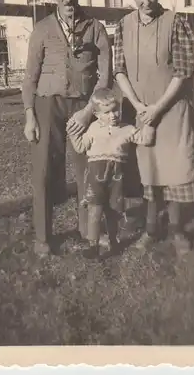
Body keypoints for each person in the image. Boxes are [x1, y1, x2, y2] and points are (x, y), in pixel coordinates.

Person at [113, 0, 194, 256]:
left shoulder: (175, 23)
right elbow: (119, 71)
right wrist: (140, 108)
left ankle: (177, 230)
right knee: (148, 171)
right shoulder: (122, 26)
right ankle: (152, 230)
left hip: (172, 107)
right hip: (140, 111)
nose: (146, 1)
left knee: (175, 171)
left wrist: (158, 108)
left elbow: (182, 71)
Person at [22, 0, 112, 256]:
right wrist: (29, 115)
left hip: (83, 106)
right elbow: (29, 77)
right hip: (48, 106)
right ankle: (43, 237)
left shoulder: (95, 27)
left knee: (89, 169)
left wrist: (89, 111)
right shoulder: (42, 29)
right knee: (44, 171)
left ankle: (90, 231)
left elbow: (106, 75)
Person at [67, 88, 155, 260]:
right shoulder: (92, 129)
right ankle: (93, 244)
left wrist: (150, 122)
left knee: (113, 210)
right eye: (107, 112)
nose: (113, 115)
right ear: (98, 114)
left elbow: (145, 139)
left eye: (115, 110)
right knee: (95, 209)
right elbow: (80, 147)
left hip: (116, 178)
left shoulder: (127, 129)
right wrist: (72, 132)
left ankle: (114, 240)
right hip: (95, 176)